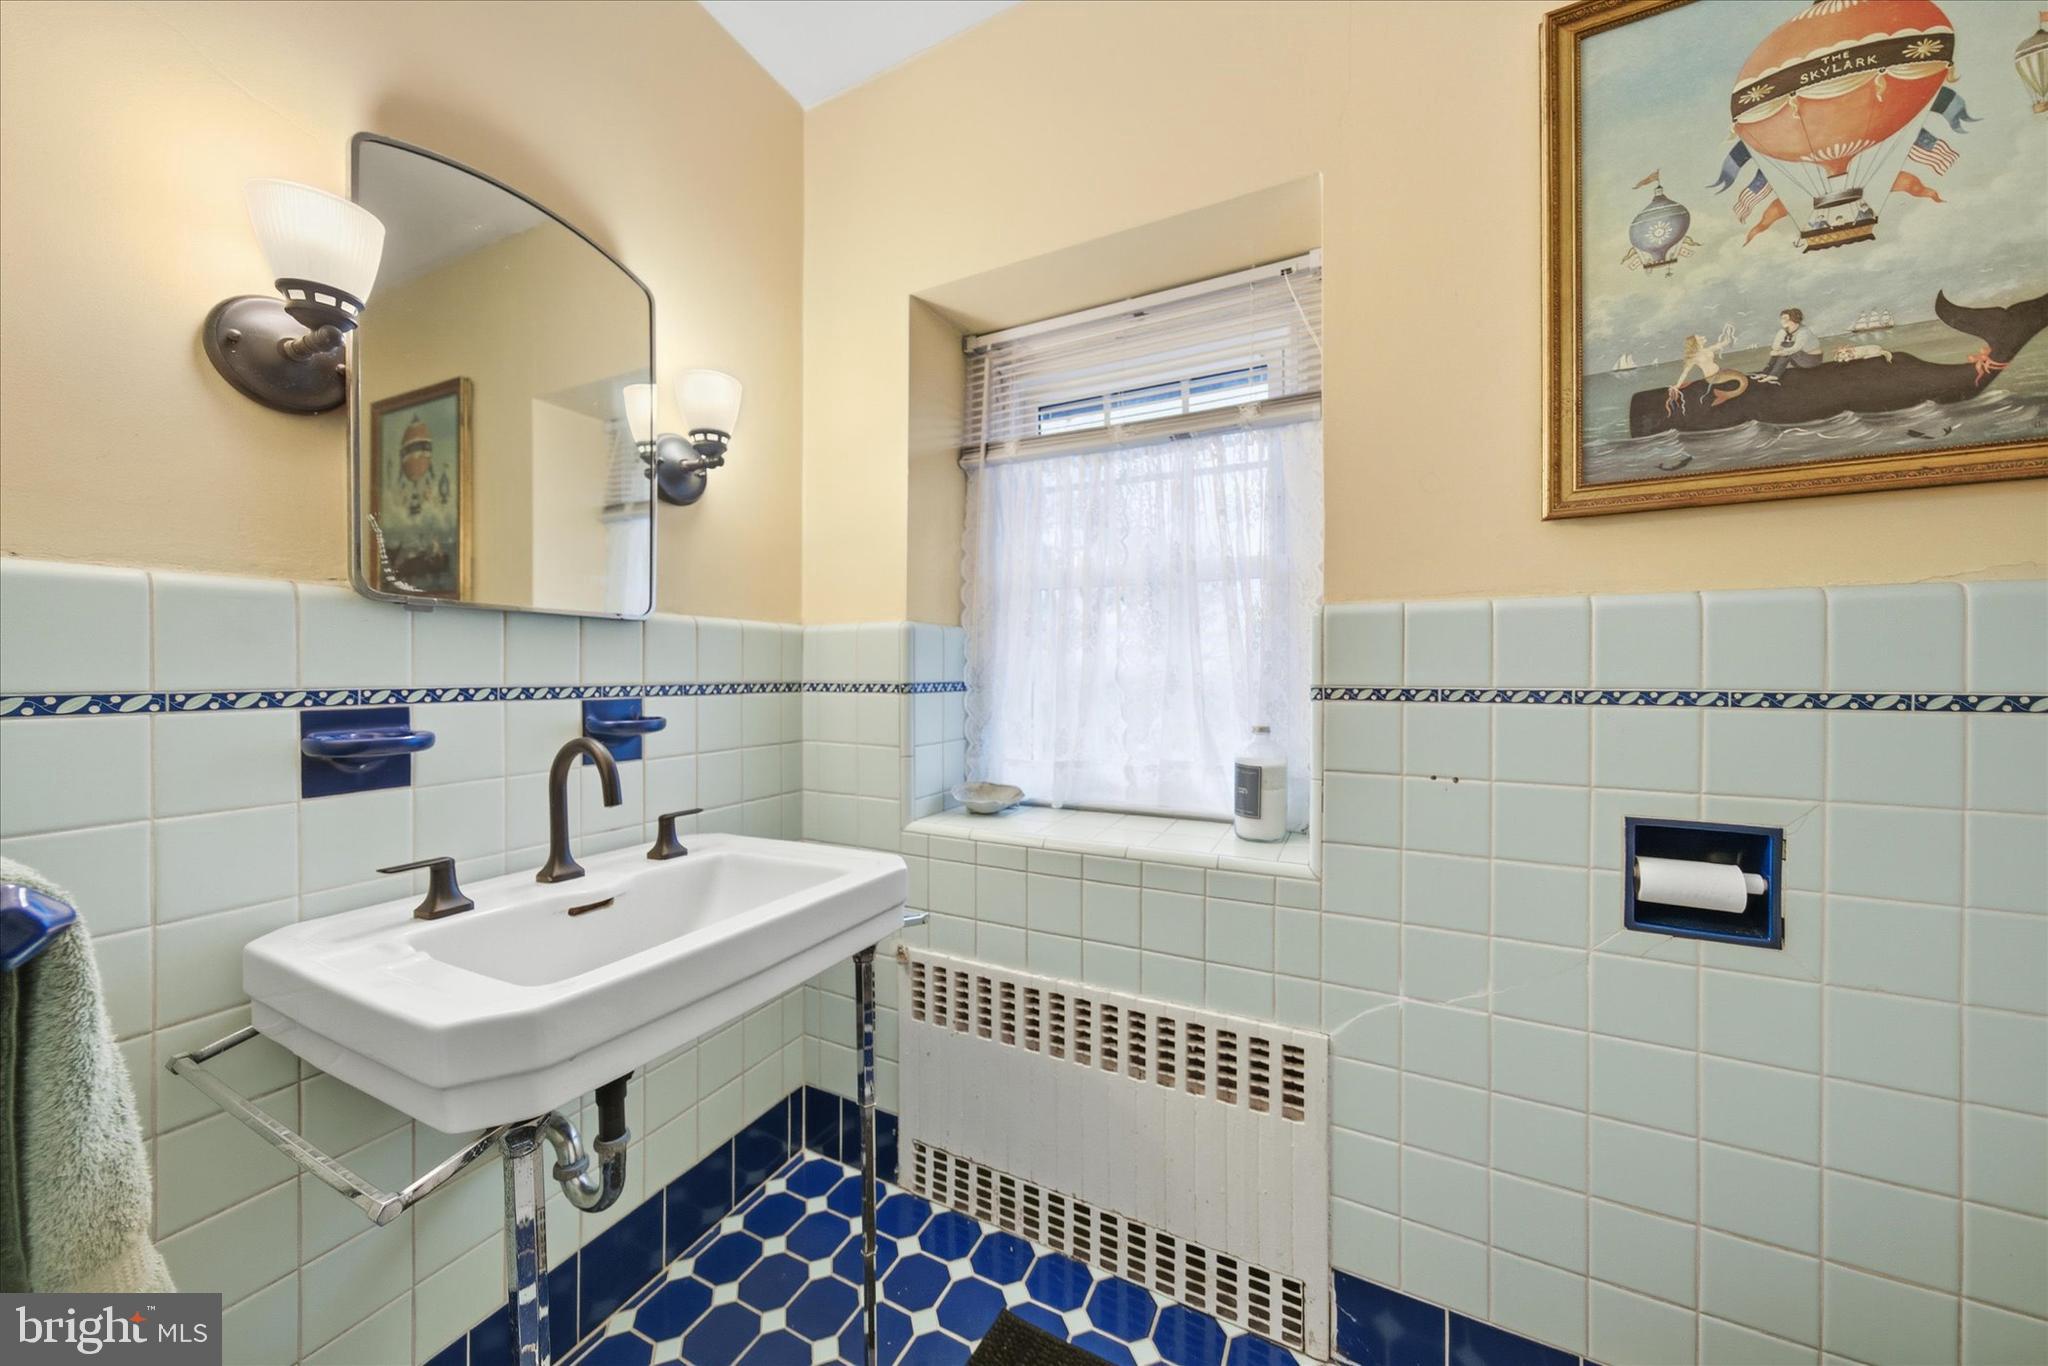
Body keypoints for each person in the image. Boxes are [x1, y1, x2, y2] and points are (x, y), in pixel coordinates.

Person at [1758, 308, 1823, 381]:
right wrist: (1782, 335)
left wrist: (1779, 352)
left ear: (1793, 319)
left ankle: (1774, 375)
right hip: (1798, 361)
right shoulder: (1784, 330)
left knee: (1788, 346)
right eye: (1782, 318)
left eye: (1785, 318)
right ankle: (1766, 372)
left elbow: (1795, 349)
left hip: (1812, 361)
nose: (1782, 321)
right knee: (1785, 345)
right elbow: (1775, 347)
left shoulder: (1803, 332)